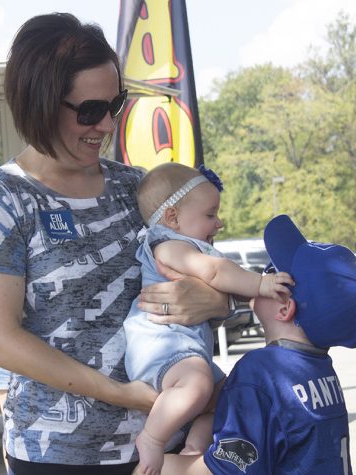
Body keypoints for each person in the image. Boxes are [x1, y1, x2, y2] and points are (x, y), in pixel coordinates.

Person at [0, 13, 232, 475]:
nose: (106, 125)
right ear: (40, 102)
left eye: (116, 104)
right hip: (62, 454)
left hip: (168, 451)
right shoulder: (3, 198)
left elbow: (209, 278)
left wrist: (212, 300)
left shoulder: (139, 188)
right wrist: (121, 393)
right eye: (89, 111)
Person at [159, 214, 356, 475]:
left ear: (285, 308)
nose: (260, 276)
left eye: (273, 273)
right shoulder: (321, 371)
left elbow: (228, 470)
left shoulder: (262, 371)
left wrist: (167, 466)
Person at [124, 163, 294, 475]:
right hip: (160, 345)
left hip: (184, 349)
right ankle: (151, 438)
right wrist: (261, 284)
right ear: (172, 217)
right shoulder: (168, 244)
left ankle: (194, 448)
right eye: (210, 214)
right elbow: (216, 272)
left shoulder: (187, 243)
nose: (220, 223)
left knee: (226, 392)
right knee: (197, 384)